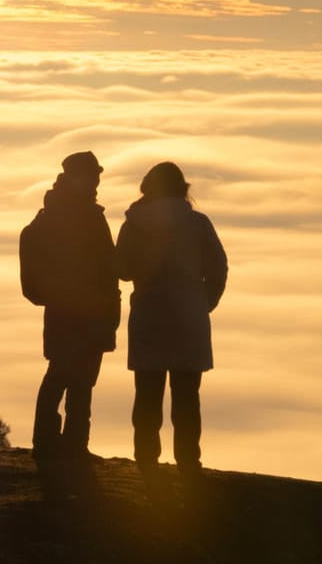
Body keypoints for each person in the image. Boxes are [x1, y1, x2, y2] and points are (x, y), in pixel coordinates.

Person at [116, 162, 226, 473]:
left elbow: (121, 270)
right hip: (189, 319)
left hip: (148, 317)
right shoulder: (199, 224)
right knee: (187, 397)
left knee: (148, 394)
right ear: (182, 189)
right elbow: (218, 268)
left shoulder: (133, 225)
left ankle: (146, 459)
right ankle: (189, 462)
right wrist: (204, 304)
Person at [20, 151, 119, 463]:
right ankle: (53, 443)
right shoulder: (65, 215)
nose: (96, 182)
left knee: (80, 380)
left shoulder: (75, 213)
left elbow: (107, 265)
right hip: (72, 312)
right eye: (92, 175)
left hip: (89, 313)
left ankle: (72, 445)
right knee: (64, 375)